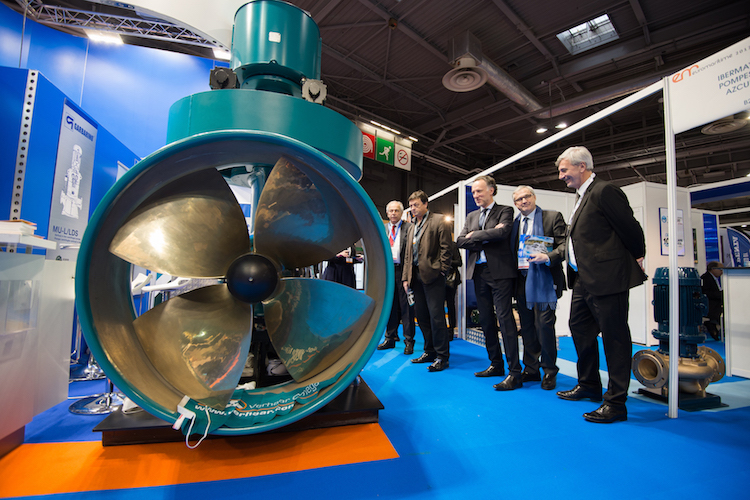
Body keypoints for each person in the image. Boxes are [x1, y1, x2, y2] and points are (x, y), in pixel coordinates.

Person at [556, 146, 646, 424]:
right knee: (579, 328)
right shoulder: (582, 196)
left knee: (614, 338)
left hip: (607, 277)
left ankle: (616, 402)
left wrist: (638, 256)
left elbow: (630, 228)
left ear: (582, 166)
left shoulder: (605, 191)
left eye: (564, 170)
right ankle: (589, 384)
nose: (561, 176)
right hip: (583, 278)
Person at [456, 175, 522, 390]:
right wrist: (486, 236)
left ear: (491, 190)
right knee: (485, 320)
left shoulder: (505, 211)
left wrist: (475, 235)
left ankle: (515, 372)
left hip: (500, 273)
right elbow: (460, 241)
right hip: (479, 272)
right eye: (473, 192)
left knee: (505, 320)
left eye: (479, 191)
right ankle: (496, 364)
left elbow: (502, 232)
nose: (475, 195)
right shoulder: (472, 215)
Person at [511, 185, 566, 391]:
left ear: (534, 197)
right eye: (518, 199)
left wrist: (548, 256)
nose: (523, 201)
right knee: (526, 327)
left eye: (526, 197)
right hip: (521, 280)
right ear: (515, 204)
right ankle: (531, 369)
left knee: (544, 326)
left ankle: (549, 370)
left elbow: (565, 245)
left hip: (544, 280)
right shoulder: (515, 223)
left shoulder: (552, 217)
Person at [402, 190, 452, 372]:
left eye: (416, 205)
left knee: (437, 317)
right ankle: (429, 351)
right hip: (415, 277)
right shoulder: (411, 226)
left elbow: (447, 249)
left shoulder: (438, 220)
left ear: (425, 204)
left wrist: (442, 270)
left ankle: (442, 356)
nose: (413, 208)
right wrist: (405, 278)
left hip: (433, 277)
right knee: (422, 316)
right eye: (411, 206)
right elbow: (408, 255)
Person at [378, 201, 416, 354]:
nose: (393, 213)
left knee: (407, 308)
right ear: (387, 213)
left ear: (401, 213)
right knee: (390, 306)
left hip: (403, 270)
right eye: (391, 211)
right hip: (388, 271)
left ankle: (409, 341)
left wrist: (407, 276)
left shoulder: (409, 227)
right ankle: (390, 338)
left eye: (396, 210)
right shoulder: (383, 228)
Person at [701, 261, 724, 341]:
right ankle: (712, 324)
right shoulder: (705, 278)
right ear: (713, 269)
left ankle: (715, 327)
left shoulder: (715, 279)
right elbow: (706, 293)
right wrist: (720, 294)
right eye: (720, 269)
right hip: (710, 304)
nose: (722, 271)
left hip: (716, 303)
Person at [445, 236, 462, 338]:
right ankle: (443, 329)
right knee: (438, 306)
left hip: (451, 279)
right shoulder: (435, 245)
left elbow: (459, 262)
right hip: (438, 279)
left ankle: (451, 329)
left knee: (450, 304)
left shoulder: (453, 245)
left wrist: (445, 262)